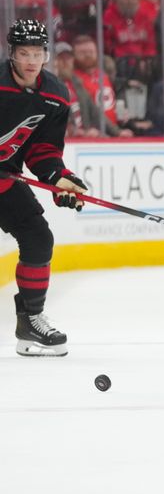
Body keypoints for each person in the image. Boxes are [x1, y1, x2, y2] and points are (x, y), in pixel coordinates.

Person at [0, 20, 87, 357]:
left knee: (38, 237)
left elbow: (44, 150)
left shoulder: (54, 96)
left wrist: (59, 179)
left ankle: (30, 323)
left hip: (5, 179)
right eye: (24, 53)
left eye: (37, 52)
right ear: (12, 54)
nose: (32, 60)